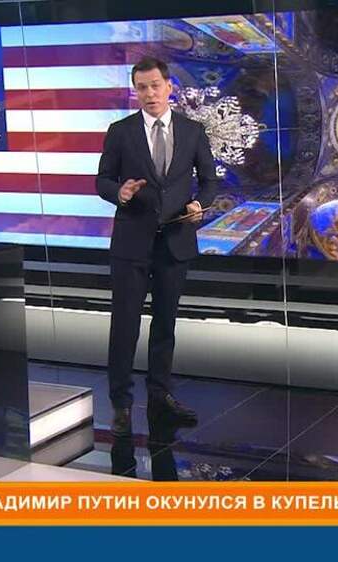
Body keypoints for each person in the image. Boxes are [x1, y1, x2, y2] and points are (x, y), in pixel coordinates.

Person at [96, 56, 219, 438]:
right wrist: (120, 192)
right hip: (131, 243)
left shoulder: (193, 131)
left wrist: (200, 204)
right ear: (135, 91)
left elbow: (210, 181)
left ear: (169, 87)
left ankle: (160, 398)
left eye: (154, 86)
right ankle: (120, 404)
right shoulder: (120, 131)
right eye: (141, 87)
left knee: (165, 324)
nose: (149, 93)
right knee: (125, 325)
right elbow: (102, 180)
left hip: (175, 243)